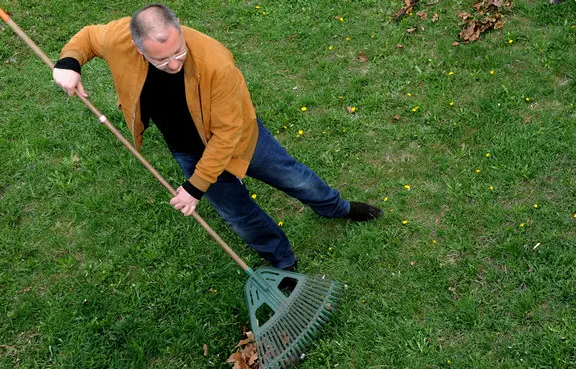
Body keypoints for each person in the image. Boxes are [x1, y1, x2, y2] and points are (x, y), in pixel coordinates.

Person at [53, 4, 382, 271]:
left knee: (295, 178)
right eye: (161, 60)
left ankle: (336, 208)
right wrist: (69, 63)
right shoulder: (120, 37)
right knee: (239, 215)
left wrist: (195, 187)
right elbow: (89, 38)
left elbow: (226, 135)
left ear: (179, 30)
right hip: (187, 148)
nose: (174, 63)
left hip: (241, 139)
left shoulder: (216, 62)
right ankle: (283, 262)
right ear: (138, 46)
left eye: (178, 52)